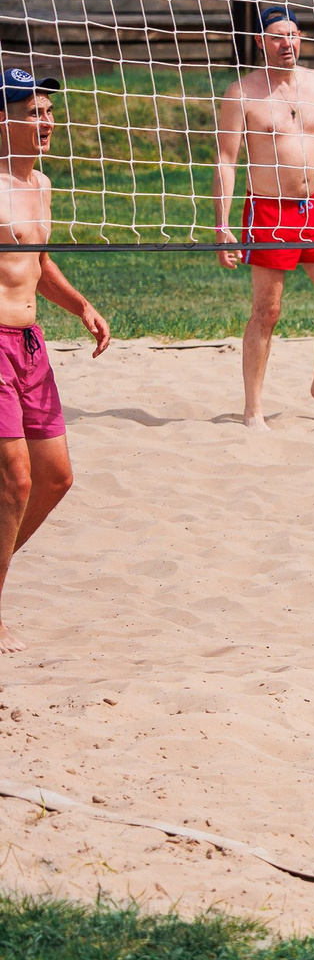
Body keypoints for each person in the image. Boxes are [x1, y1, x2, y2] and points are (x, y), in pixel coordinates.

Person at [0, 69, 112, 653]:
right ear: (3, 119)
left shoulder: (40, 183)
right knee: (15, 480)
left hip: (30, 344)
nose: (46, 121)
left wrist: (81, 306)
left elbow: (37, 264)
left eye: (47, 111)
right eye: (33, 111)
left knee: (56, 478)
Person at [213, 5, 314, 429]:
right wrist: (222, 227)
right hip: (267, 210)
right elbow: (226, 160)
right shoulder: (241, 93)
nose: (288, 44)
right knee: (267, 310)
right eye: (278, 36)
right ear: (261, 41)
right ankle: (253, 409)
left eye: (294, 35)